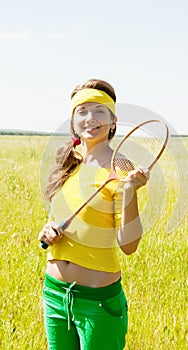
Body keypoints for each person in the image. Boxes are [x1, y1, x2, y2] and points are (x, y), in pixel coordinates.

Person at [38, 78, 149, 350]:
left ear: (113, 121)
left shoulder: (122, 169)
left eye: (100, 111)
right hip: (54, 294)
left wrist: (131, 190)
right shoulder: (69, 161)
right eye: (82, 111)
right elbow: (70, 221)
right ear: (73, 120)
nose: (91, 118)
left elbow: (129, 245)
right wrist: (47, 230)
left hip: (97, 302)